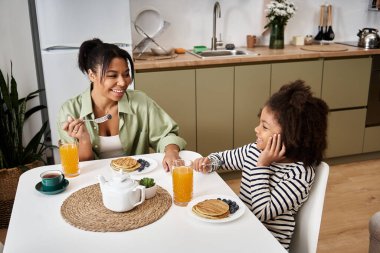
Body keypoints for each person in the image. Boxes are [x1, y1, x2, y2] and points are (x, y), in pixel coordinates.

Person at [193, 80, 329, 250]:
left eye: (265, 127)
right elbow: (223, 159)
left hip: (266, 244)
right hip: (242, 231)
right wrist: (209, 162)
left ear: (292, 137)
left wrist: (262, 166)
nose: (256, 129)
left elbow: (262, 212)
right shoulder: (255, 150)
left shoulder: (298, 175)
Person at [58, 38, 186, 171]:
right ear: (92, 75)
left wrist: (171, 152)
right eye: (112, 76)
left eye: (126, 74)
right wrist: (84, 140)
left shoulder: (140, 102)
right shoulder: (70, 111)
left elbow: (166, 135)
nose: (123, 82)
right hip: (94, 182)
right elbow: (77, 167)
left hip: (137, 179)